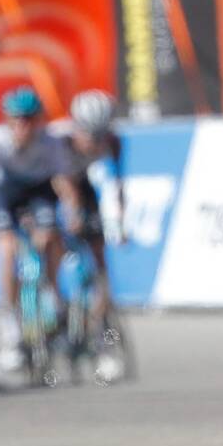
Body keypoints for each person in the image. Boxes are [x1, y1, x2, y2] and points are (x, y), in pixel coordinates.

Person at [0, 86, 80, 369]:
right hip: (6, 194)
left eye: (30, 119)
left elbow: (62, 182)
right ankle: (13, 331)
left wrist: (72, 211)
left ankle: (55, 296)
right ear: (8, 120)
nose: (24, 126)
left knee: (50, 237)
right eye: (17, 119)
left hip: (39, 192)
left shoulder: (51, 142)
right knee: (7, 250)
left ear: (39, 120)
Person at [62, 89, 125, 324]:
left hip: (83, 186)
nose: (96, 143)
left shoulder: (113, 141)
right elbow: (64, 185)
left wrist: (121, 220)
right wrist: (73, 214)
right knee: (52, 240)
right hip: (54, 187)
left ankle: (101, 312)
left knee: (98, 249)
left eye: (101, 135)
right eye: (90, 135)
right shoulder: (63, 141)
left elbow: (118, 183)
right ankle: (53, 300)